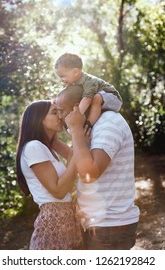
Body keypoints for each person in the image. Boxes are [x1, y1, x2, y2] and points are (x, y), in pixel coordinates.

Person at [56, 85, 140, 250]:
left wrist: (76, 130)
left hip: (110, 226)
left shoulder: (108, 124)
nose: (60, 116)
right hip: (102, 224)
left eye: (61, 110)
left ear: (79, 107)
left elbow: (89, 174)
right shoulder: (93, 125)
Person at [16, 100, 84, 250]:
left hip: (66, 220)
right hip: (54, 223)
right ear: (38, 120)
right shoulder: (34, 147)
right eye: (54, 112)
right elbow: (58, 191)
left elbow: (75, 155)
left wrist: (75, 131)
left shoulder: (48, 146)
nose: (60, 116)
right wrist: (78, 135)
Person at [54, 53, 122, 127]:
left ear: (75, 72)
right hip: (101, 101)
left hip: (113, 98)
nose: (61, 80)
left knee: (97, 98)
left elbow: (87, 99)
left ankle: (88, 125)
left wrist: (76, 116)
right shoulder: (74, 83)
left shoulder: (89, 81)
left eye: (62, 76)